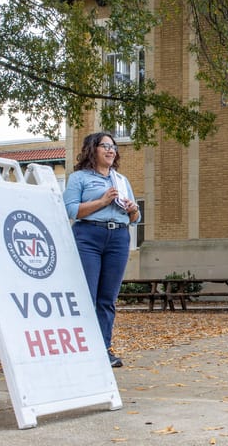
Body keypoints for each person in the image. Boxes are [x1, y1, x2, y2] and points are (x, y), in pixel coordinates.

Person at [63, 132, 141, 368]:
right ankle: (82, 348)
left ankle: (103, 350)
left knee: (108, 298)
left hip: (118, 236)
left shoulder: (121, 180)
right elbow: (70, 210)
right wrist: (103, 201)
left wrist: (133, 209)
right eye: (105, 146)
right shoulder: (79, 178)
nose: (111, 150)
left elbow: (136, 218)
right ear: (92, 149)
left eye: (113, 146)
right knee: (88, 296)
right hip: (89, 236)